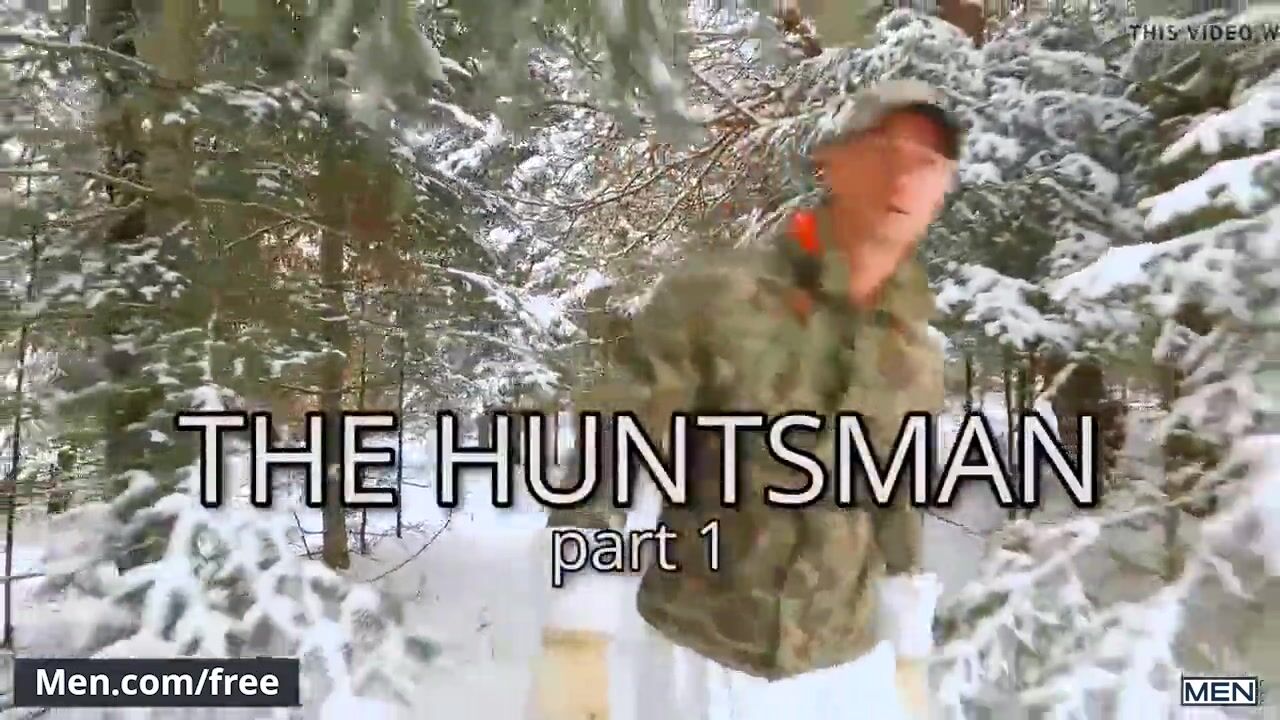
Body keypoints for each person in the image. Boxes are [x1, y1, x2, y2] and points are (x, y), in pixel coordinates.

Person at [537, 79, 962, 719]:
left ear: (943, 187)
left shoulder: (914, 352)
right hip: (705, 664)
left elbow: (895, 497)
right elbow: (612, 450)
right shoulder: (714, 298)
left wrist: (907, 654)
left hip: (847, 671)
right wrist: (577, 636)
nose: (904, 177)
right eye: (884, 150)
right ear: (832, 161)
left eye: (927, 162)